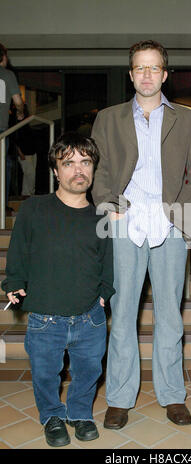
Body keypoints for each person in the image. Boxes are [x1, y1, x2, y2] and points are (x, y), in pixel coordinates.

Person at [91, 39, 191, 429]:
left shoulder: (188, 119)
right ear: (131, 74)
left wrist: (181, 217)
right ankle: (120, 397)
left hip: (171, 223)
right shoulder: (108, 118)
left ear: (164, 73)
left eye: (153, 68)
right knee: (123, 313)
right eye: (139, 68)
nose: (147, 75)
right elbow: (100, 169)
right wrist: (110, 206)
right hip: (125, 222)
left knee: (169, 315)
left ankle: (172, 395)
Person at [1, 132, 115, 447]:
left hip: (89, 316)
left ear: (93, 169)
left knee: (88, 372)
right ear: (55, 171)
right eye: (69, 163)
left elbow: (108, 261)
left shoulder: (100, 216)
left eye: (85, 162)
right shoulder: (34, 209)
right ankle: (52, 416)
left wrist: (106, 291)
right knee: (44, 374)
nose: (78, 170)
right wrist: (14, 283)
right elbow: (18, 252)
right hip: (44, 318)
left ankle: (80, 413)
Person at [0, 43, 24, 212]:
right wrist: (20, 113)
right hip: (1, 131)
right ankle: (2, 204)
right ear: (3, 57)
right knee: (4, 166)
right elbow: (17, 101)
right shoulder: (7, 75)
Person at [15, 104, 37, 196]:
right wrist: (20, 153)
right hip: (24, 153)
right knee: (30, 173)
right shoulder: (16, 124)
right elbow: (15, 140)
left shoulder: (26, 122)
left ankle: (26, 193)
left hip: (32, 152)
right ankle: (29, 193)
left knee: (30, 174)